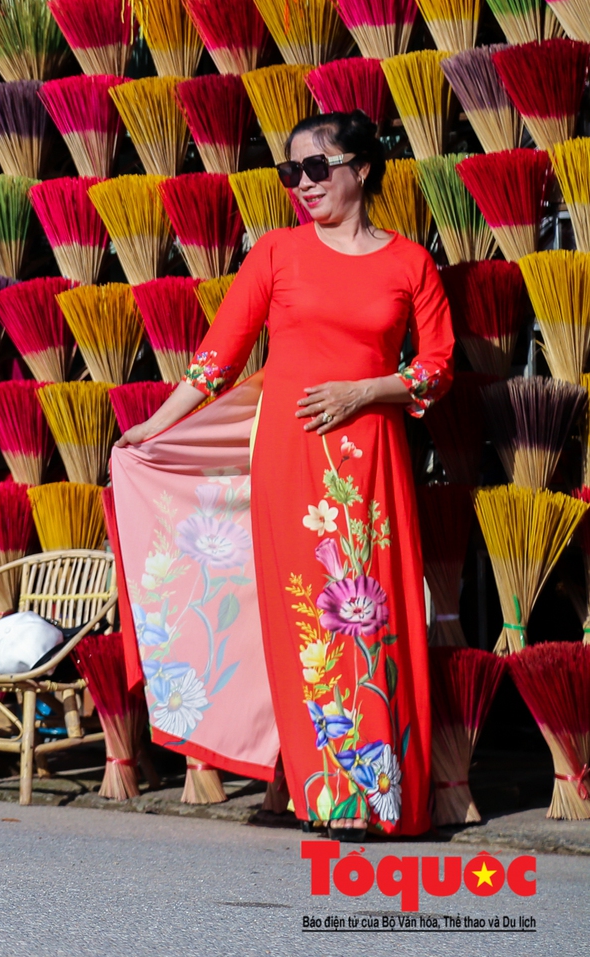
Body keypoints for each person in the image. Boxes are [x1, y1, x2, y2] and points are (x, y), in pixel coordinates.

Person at [114, 111, 451, 838]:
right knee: (309, 618)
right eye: (290, 173)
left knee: (373, 618)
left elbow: (436, 366)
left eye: (316, 168)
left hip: (373, 462)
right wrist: (153, 426)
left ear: (361, 168)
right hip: (291, 464)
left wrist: (365, 391)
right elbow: (216, 360)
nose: (302, 184)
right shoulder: (276, 253)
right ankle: (327, 797)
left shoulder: (408, 263)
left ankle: (385, 794)